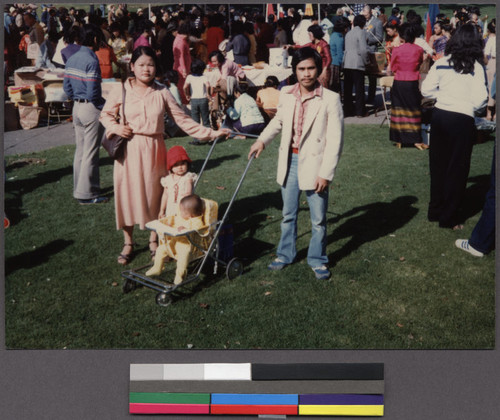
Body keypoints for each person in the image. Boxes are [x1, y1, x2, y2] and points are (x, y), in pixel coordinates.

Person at [99, 46, 229, 265]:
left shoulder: (162, 91)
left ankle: (154, 240)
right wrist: (116, 127)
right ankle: (128, 242)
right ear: (132, 67)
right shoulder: (121, 89)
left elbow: (183, 120)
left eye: (150, 65)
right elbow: (105, 115)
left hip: (154, 148)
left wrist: (211, 133)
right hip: (128, 151)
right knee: (127, 196)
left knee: (155, 196)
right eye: (141, 65)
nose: (146, 69)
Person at [248, 47, 344, 280]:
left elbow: (335, 141)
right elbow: (278, 121)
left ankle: (317, 259)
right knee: (288, 214)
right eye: (301, 69)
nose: (306, 74)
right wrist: (262, 141)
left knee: (318, 219)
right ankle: (285, 254)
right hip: (289, 160)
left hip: (316, 164)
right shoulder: (287, 94)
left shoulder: (330, 99)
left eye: (311, 68)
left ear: (318, 70)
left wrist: (326, 173)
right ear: (294, 71)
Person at [421, 24, 488, 230]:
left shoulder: (442, 63)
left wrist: (443, 97)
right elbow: (481, 99)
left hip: (440, 116)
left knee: (438, 166)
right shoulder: (476, 67)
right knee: (457, 169)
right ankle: (448, 217)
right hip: (462, 119)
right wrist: (467, 104)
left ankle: (435, 210)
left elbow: (426, 89)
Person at [63, 24, 108, 205]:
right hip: (90, 108)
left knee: (80, 151)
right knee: (91, 152)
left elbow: (67, 87)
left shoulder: (72, 58)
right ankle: (88, 193)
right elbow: (93, 93)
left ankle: (79, 189)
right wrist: (103, 106)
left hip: (77, 108)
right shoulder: (92, 60)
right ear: (95, 39)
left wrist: (76, 98)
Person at [145, 194, 207, 284]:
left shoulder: (197, 222)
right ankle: (157, 267)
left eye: (182, 211)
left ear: (190, 215)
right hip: (174, 242)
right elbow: (176, 225)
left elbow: (197, 230)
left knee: (182, 260)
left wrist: (185, 229)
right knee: (160, 249)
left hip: (188, 246)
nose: (180, 213)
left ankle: (180, 276)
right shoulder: (181, 218)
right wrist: (170, 226)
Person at [388, 23, 425, 149]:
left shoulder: (397, 50)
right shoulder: (419, 49)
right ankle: (415, 139)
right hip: (412, 81)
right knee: (413, 109)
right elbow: (419, 63)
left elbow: (393, 67)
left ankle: (399, 138)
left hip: (399, 81)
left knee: (399, 109)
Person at [159, 146, 197, 218]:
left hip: (183, 206)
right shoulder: (167, 179)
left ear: (187, 164)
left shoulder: (188, 177)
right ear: (170, 166)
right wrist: (162, 210)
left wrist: (187, 194)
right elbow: (165, 195)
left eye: (182, 164)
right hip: (171, 208)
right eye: (176, 165)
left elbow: (188, 192)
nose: (180, 167)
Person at [343, 14, 369, 117]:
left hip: (347, 63)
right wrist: (367, 61)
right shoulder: (361, 32)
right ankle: (360, 111)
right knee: (359, 89)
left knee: (348, 90)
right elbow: (363, 50)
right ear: (363, 23)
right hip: (357, 63)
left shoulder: (348, 33)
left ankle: (348, 110)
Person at [184, 59, 211, 145]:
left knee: (195, 121)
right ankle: (209, 138)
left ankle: (196, 140)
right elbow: (208, 85)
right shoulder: (204, 77)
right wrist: (208, 94)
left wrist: (187, 94)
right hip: (203, 99)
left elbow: (185, 87)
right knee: (206, 120)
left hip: (194, 100)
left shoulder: (189, 77)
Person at [362, 5, 384, 105]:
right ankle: (361, 97)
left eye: (366, 14)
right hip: (362, 52)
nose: (364, 15)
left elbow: (380, 38)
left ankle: (371, 97)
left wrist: (369, 40)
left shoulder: (377, 22)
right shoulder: (362, 22)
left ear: (370, 12)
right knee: (361, 75)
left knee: (372, 77)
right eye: (363, 14)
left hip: (371, 51)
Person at [329, 17, 349, 94]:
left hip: (332, 62)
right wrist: (342, 65)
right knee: (335, 85)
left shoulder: (333, 35)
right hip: (335, 64)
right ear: (344, 28)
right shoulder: (339, 38)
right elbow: (340, 53)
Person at [173, 22, 191, 104]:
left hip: (180, 66)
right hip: (181, 68)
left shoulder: (179, 39)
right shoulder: (181, 42)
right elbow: (181, 57)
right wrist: (184, 70)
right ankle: (184, 103)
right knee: (183, 87)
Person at [484, 19, 496, 121]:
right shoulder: (492, 39)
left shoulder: (491, 39)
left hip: (493, 62)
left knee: (491, 87)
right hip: (493, 62)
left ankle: (490, 113)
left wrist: (486, 64)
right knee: (492, 87)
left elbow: (485, 55)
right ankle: (491, 113)